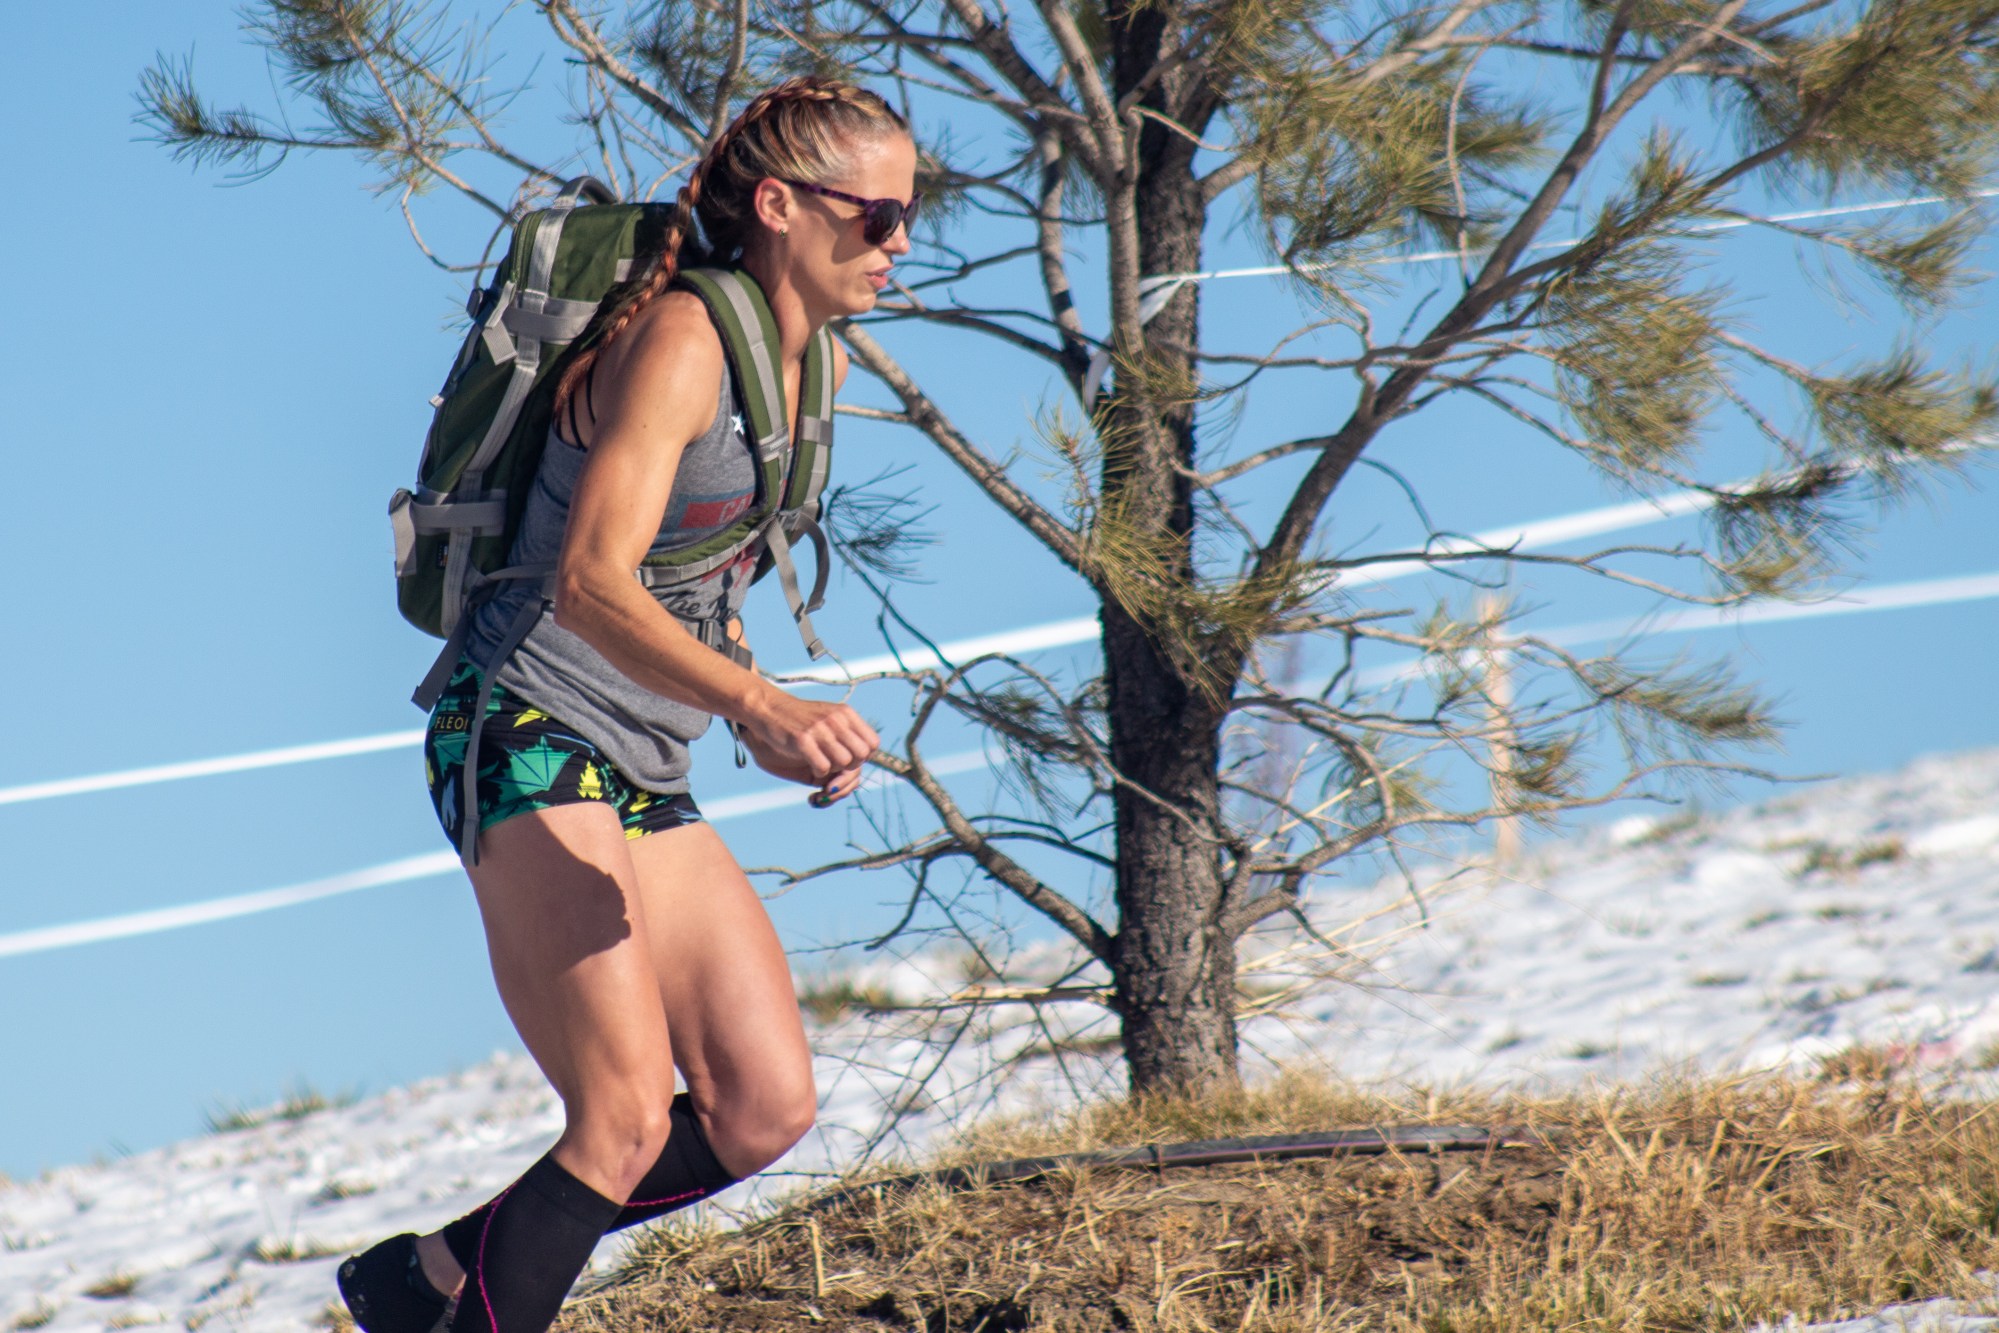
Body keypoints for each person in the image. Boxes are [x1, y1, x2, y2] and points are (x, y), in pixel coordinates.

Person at [337, 76, 913, 1333]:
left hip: (641, 761)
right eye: (874, 216)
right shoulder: (686, 342)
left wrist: (747, 706)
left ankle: (425, 1280)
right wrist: (759, 703)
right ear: (779, 205)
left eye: (909, 214)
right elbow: (593, 583)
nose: (899, 242)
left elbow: (692, 578)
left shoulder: (802, 367)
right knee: (621, 1117)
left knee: (761, 1106)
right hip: (526, 726)